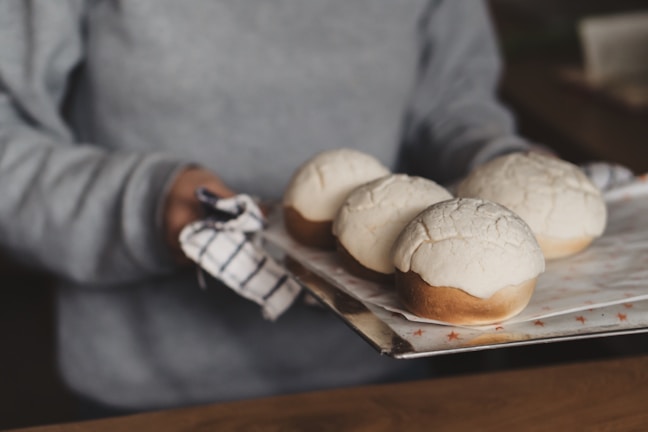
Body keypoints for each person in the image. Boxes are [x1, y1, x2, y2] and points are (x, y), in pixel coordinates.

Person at [0, 0, 535, 417]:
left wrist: (509, 169)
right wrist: (142, 204)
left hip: (381, 375)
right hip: (146, 392)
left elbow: (453, 106)